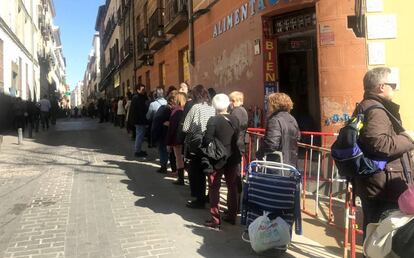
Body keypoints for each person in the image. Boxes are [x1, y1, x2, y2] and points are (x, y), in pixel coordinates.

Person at [353, 67, 414, 238]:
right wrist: (408, 138)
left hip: (377, 181)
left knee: (375, 234)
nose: (395, 89)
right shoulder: (376, 110)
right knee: (382, 238)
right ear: (381, 86)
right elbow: (380, 144)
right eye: (392, 85)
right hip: (384, 185)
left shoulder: (367, 106)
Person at [203, 94, 241, 229]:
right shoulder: (235, 119)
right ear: (227, 105)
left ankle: (215, 219)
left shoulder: (213, 120)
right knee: (232, 186)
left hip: (217, 158)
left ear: (214, 106)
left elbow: (207, 140)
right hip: (232, 157)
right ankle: (232, 216)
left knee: (214, 187)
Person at [182, 85, 216, 208]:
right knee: (208, 170)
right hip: (210, 143)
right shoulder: (212, 107)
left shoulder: (195, 107)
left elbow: (185, 127)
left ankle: (199, 199)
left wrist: (194, 131)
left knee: (196, 172)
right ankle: (209, 197)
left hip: (197, 145)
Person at [256, 93, 300, 167]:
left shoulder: (275, 120)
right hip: (291, 164)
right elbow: (297, 138)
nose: (268, 106)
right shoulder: (292, 119)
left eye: (268, 103)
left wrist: (259, 153)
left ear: (274, 105)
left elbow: (272, 144)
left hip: (277, 164)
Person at [151, 91, 176, 174]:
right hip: (163, 133)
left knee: (163, 150)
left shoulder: (164, 108)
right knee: (164, 150)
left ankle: (164, 166)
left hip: (161, 133)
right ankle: (164, 166)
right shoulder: (167, 109)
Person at [167, 92, 187, 185]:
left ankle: (181, 179)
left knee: (178, 158)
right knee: (184, 158)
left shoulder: (176, 111)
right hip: (185, 138)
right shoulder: (186, 110)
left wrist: (169, 142)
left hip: (177, 138)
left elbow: (172, 127)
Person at [128, 84, 149, 157]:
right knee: (139, 135)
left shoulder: (138, 97)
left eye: (144, 89)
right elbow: (140, 110)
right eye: (142, 89)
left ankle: (138, 150)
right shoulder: (137, 98)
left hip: (139, 120)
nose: (144, 91)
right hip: (139, 120)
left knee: (140, 135)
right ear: (138, 90)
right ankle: (137, 151)